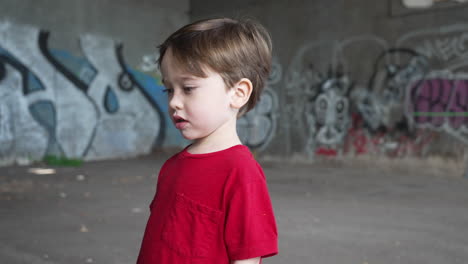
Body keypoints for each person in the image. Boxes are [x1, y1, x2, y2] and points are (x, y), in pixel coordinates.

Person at [136, 17, 278, 264]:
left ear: (238, 93)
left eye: (188, 88)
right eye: (169, 89)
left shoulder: (240, 171)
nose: (174, 102)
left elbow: (247, 257)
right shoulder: (172, 167)